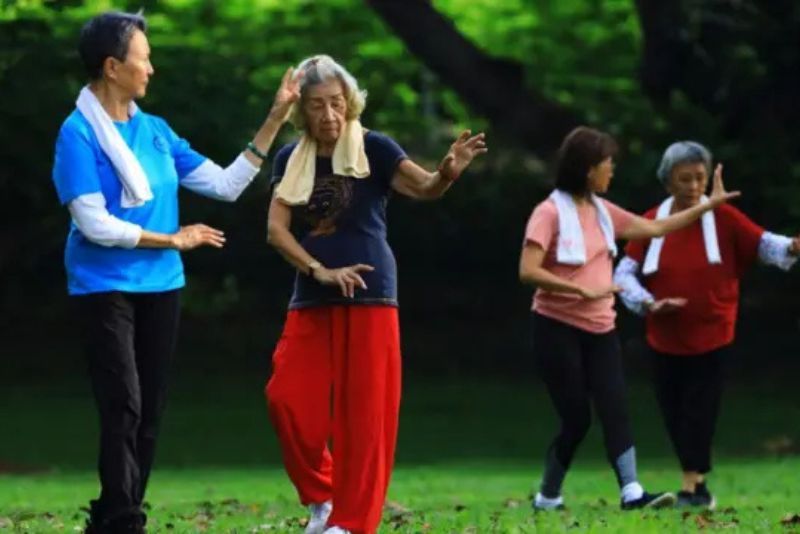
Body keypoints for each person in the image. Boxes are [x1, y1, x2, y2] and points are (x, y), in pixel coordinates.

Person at [50, 11, 299, 533]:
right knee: (124, 403)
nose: (152, 69)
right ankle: (123, 518)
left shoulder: (156, 132)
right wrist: (175, 238)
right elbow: (94, 223)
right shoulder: (77, 135)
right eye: (144, 58)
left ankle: (116, 514)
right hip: (103, 285)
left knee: (150, 409)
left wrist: (275, 118)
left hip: (162, 285)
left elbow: (228, 184)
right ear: (113, 66)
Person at [264, 55, 486, 534]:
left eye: (337, 104)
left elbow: (425, 187)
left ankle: (352, 522)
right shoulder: (289, 159)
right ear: (302, 111)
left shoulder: (375, 148)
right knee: (286, 398)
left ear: (350, 104)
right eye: (318, 106)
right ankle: (323, 497)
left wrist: (447, 172)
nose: (328, 116)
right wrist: (319, 270)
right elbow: (276, 230)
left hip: (371, 292)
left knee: (366, 415)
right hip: (313, 293)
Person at [518, 126, 739, 511]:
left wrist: (707, 205)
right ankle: (548, 496)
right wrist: (579, 290)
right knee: (576, 419)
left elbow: (655, 228)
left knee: (615, 406)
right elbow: (528, 270)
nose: (612, 172)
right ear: (589, 170)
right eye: (607, 165)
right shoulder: (548, 212)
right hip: (556, 327)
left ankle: (632, 492)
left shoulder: (603, 212)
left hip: (601, 329)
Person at [613, 141, 800, 509]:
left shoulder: (725, 218)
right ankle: (696, 485)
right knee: (674, 412)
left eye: (700, 178)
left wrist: (792, 247)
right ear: (668, 183)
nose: (694, 186)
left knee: (700, 411)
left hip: (714, 335)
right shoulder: (652, 221)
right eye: (685, 179)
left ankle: (692, 487)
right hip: (664, 338)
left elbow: (763, 244)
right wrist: (650, 303)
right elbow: (625, 273)